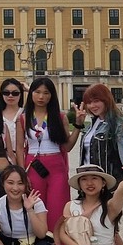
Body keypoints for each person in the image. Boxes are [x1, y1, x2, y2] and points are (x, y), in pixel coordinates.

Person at [22, 77, 77, 236]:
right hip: (33, 165)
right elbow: (19, 148)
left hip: (56, 166)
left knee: (57, 208)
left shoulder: (59, 117)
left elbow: (67, 146)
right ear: (31, 93)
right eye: (37, 92)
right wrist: (21, 173)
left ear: (52, 95)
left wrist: (78, 126)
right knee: (36, 207)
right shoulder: (23, 118)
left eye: (46, 93)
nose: (41, 97)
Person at [0, 78, 26, 152]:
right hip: (2, 155)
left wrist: (29, 89)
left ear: (21, 94)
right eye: (6, 93)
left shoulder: (25, 114)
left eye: (15, 93)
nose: (10, 96)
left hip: (23, 155)